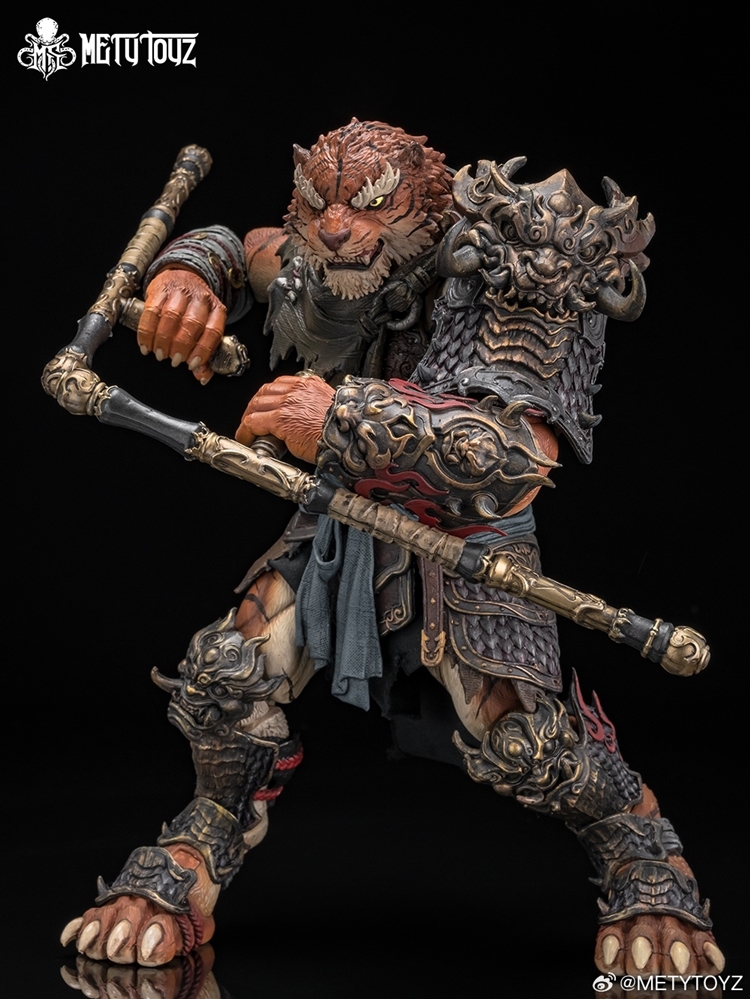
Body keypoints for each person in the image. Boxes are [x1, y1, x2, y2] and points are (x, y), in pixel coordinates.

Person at [61, 119, 723, 977]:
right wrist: (189, 276)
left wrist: (339, 416)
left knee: (529, 745)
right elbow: (245, 248)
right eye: (321, 204)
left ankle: (639, 845)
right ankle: (205, 835)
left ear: (426, 207)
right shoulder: (323, 252)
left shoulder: (511, 259)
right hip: (338, 515)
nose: (339, 228)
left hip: (464, 537)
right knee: (225, 675)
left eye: (371, 205)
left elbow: (516, 459)